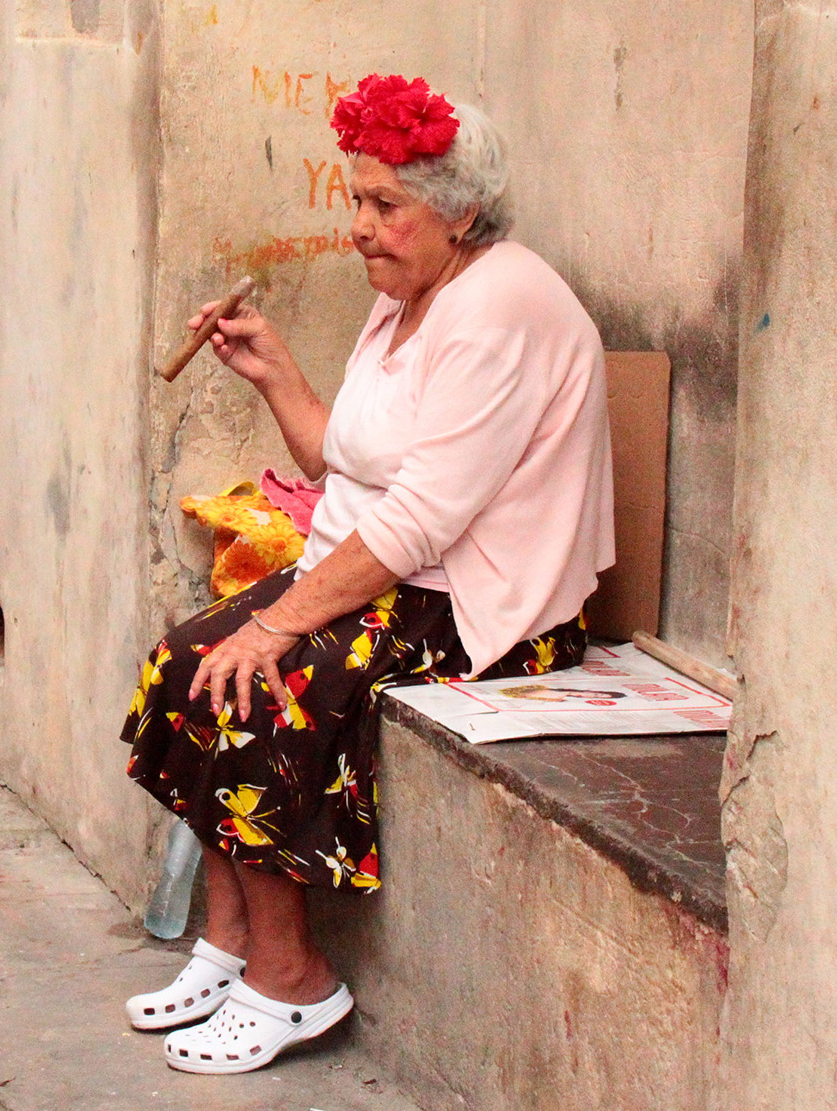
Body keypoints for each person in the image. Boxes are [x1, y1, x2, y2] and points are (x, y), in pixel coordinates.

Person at [120, 75, 615, 1074]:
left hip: (477, 605)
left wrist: (277, 624)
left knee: (256, 679)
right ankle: (231, 943)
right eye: (356, 199)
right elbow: (339, 460)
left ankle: (295, 978)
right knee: (188, 659)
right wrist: (273, 371)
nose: (359, 226)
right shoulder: (406, 301)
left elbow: (429, 514)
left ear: (461, 210)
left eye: (385, 205)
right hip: (388, 571)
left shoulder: (500, 303)